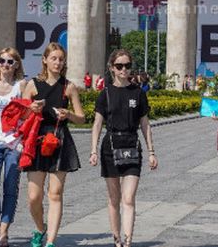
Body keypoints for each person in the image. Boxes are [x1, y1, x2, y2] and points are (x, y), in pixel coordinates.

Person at [89, 49, 158, 247]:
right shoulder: (105, 94)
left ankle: (127, 241)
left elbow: (145, 124)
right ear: (112, 68)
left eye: (127, 66)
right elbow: (97, 124)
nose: (124, 70)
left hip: (132, 146)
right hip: (110, 146)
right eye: (119, 66)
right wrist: (93, 150)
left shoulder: (138, 92)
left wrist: (152, 151)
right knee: (114, 197)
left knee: (128, 198)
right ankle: (116, 238)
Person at [22, 42, 86, 247]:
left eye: (61, 59)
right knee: (34, 196)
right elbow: (21, 115)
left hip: (59, 138)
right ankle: (40, 228)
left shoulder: (69, 87)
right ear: (45, 60)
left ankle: (50, 242)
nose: (58, 62)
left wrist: (69, 114)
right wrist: (31, 109)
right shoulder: (32, 85)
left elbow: (82, 118)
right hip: (37, 138)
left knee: (55, 194)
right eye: (54, 58)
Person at [0, 48, 27, 246]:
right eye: (2, 61)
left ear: (16, 64)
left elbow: (27, 114)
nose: (6, 65)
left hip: (14, 144)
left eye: (10, 62)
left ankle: (4, 230)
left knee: (10, 185)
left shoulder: (21, 85)